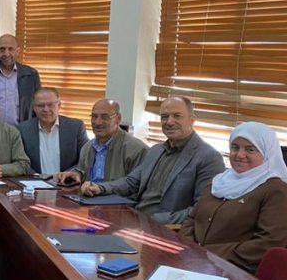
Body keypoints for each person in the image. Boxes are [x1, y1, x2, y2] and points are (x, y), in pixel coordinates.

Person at [81, 96, 225, 224]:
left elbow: (202, 210)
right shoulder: (156, 150)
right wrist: (101, 188)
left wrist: (156, 221)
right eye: (164, 117)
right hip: (135, 219)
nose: (169, 122)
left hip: (165, 229)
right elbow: (131, 182)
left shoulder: (209, 158)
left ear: (192, 120)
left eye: (177, 116)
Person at [180, 122, 287, 272]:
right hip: (192, 259)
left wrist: (208, 254)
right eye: (235, 147)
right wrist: (189, 248)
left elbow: (268, 243)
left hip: (236, 271)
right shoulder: (219, 181)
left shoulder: (275, 189)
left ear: (267, 153)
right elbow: (192, 219)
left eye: (250, 149)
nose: (240, 155)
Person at [56, 99, 148, 186]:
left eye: (104, 117)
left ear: (118, 119)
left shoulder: (136, 150)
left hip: (118, 197)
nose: (98, 122)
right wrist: (77, 174)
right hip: (87, 196)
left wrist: (101, 189)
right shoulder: (87, 147)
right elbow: (82, 171)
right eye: (94, 116)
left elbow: (135, 185)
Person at [19, 88, 88, 174]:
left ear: (59, 105)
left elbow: (85, 158)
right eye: (41, 105)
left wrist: (68, 175)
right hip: (35, 180)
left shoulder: (76, 127)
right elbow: (21, 161)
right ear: (34, 108)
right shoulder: (23, 129)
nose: (46, 109)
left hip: (68, 180)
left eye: (50, 105)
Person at [0, 34, 41, 125]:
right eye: (2, 49)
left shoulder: (31, 75)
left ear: (17, 51)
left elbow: (38, 104)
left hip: (22, 130)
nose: (6, 54)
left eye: (10, 49)